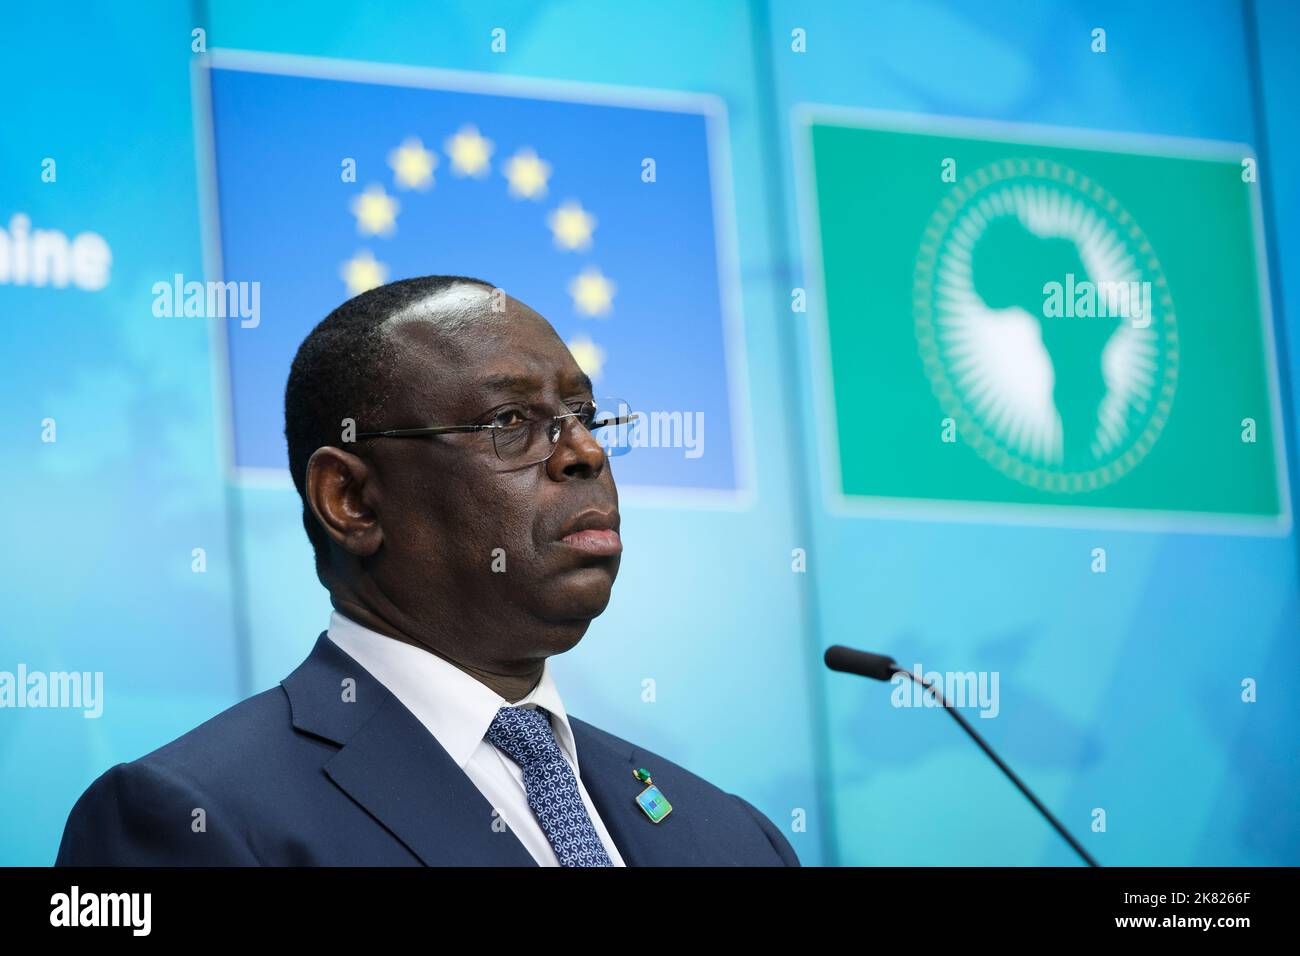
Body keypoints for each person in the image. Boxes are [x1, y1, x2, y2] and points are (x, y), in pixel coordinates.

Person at [55, 276, 799, 866]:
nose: (585, 453)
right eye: (511, 422)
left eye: (585, 415)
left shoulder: (731, 835)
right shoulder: (192, 820)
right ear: (350, 500)